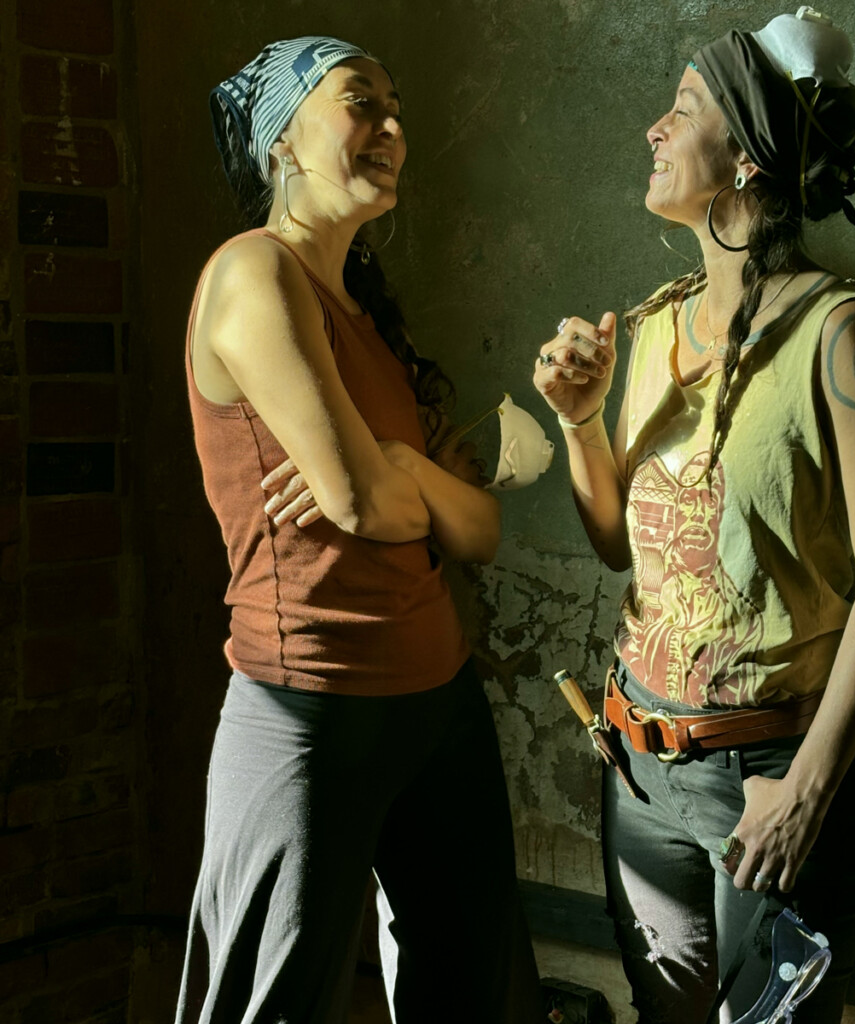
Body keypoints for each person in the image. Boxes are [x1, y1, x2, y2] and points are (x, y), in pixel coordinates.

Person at [533, 9, 855, 1023]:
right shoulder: (655, 322)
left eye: (680, 111)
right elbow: (620, 541)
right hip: (640, 768)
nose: (653, 133)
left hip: (769, 774)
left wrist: (804, 792)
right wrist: (580, 422)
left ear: (745, 157)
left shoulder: (842, 337)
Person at [177, 36, 543, 1024]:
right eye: (358, 103)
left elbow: (474, 528)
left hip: (438, 698)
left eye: (395, 108)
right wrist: (385, 482)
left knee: (469, 992)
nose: (390, 128)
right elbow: (357, 506)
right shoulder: (253, 274)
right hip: (311, 712)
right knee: (272, 1002)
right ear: (282, 144)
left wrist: (404, 466)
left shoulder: (366, 320)